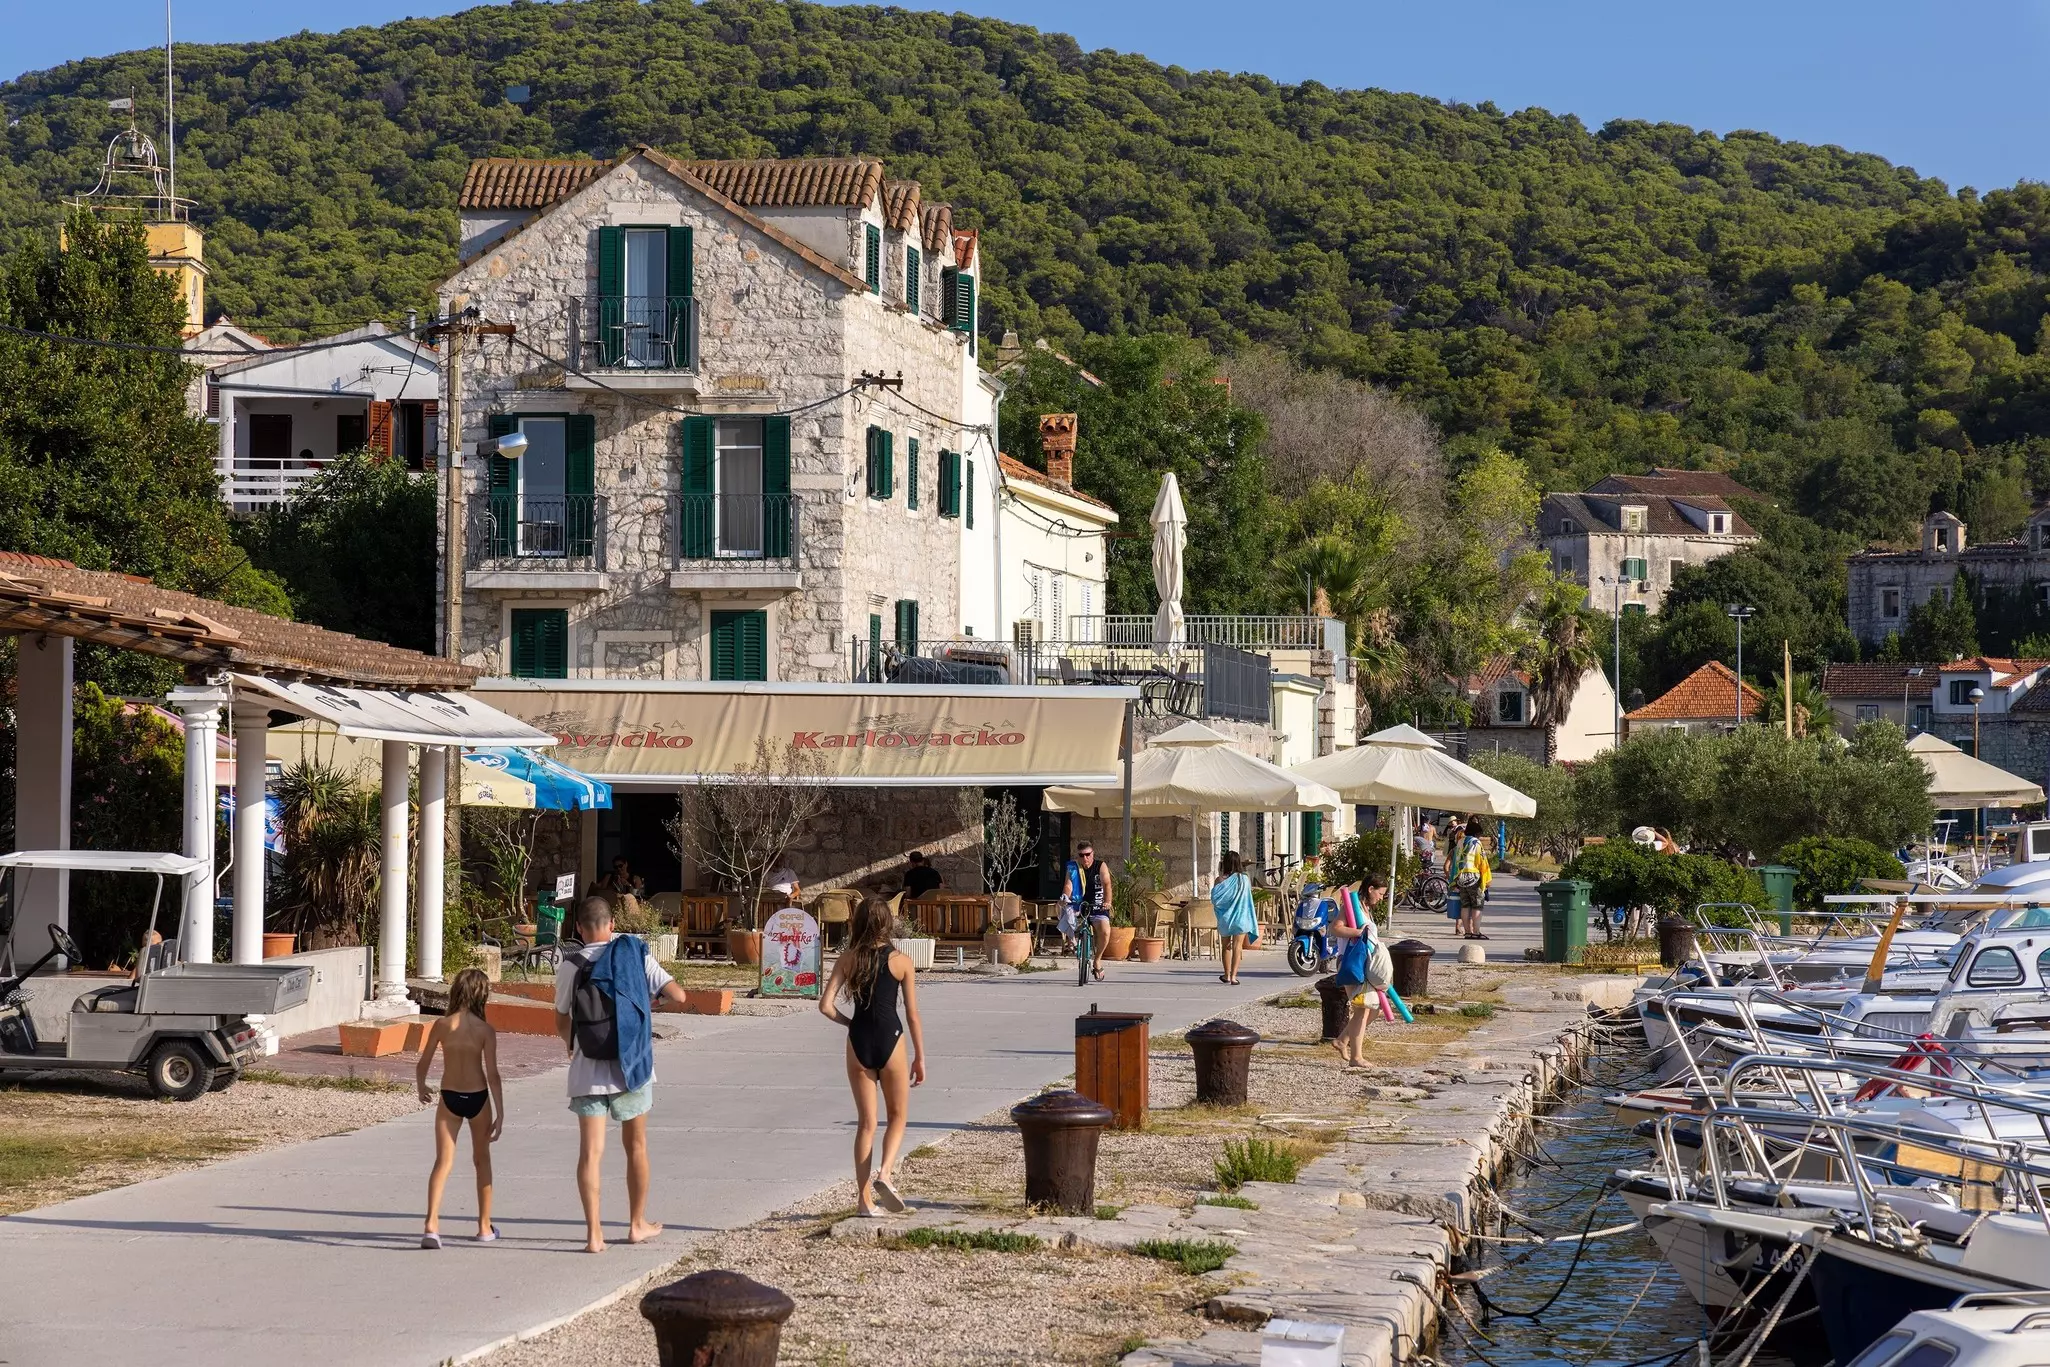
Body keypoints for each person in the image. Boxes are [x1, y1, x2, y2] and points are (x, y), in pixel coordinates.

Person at [554, 895, 691, 1253]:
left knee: (591, 1154)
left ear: (580, 929)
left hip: (587, 1069)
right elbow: (678, 995)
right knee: (636, 1147)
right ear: (612, 924)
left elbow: (561, 1017)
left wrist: (570, 1043)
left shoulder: (571, 966)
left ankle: (594, 1236)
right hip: (632, 1067)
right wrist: (646, 1003)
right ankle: (636, 1224)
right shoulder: (634, 954)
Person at [819, 897, 927, 1217]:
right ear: (887, 923)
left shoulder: (848, 959)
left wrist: (850, 1023)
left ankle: (864, 1203)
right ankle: (886, 1174)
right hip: (891, 1040)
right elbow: (912, 1015)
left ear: (858, 923)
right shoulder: (901, 961)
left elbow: (825, 1006)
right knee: (897, 1117)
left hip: (858, 1041)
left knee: (866, 1123)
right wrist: (919, 1057)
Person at [417, 967, 504, 1248]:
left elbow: (423, 1064)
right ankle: (483, 1227)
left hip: (449, 1096)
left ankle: (431, 1225)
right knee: (482, 1161)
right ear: (482, 995)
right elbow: (492, 1074)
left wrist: (421, 1086)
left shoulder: (442, 1026)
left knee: (443, 1162)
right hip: (478, 1097)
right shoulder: (485, 1030)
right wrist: (500, 1112)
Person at [1329, 874, 1390, 1067]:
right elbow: (1335, 928)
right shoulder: (1351, 907)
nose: (1381, 898)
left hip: (1365, 963)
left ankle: (1342, 1040)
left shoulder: (1365, 910)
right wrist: (1358, 932)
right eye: (1380, 894)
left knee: (1374, 1009)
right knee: (1362, 1009)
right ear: (1370, 889)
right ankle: (1356, 1058)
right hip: (1351, 962)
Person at [1062, 843, 1114, 980]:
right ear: (1078, 856)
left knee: (1105, 931)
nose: (1085, 858)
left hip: (1097, 905)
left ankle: (1097, 960)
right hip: (1079, 905)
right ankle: (1071, 942)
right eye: (1081, 855)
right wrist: (1065, 897)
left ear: (1093, 854)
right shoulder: (1073, 868)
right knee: (1066, 913)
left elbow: (1107, 884)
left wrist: (1107, 901)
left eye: (1088, 855)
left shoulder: (1100, 866)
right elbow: (1068, 885)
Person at [1210, 851, 1259, 985]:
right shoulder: (1244, 879)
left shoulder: (1219, 880)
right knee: (1238, 947)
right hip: (1241, 918)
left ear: (1224, 863)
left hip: (1226, 919)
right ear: (1238, 863)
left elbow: (1215, 900)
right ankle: (1233, 977)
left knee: (1226, 946)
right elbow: (1247, 899)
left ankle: (1226, 975)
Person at [1454, 817, 1491, 941]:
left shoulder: (1460, 842)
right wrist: (1486, 879)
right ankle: (1476, 932)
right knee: (1477, 905)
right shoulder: (1476, 842)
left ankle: (1467, 932)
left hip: (1461, 878)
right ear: (1476, 833)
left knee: (1465, 905)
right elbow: (1482, 861)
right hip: (1473, 878)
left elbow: (1455, 860)